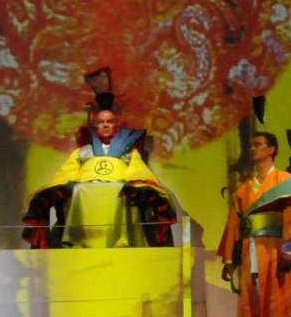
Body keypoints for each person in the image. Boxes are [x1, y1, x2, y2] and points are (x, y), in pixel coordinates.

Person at [22, 100, 178, 249]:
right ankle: (77, 241)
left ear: (116, 125)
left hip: (120, 187)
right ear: (95, 126)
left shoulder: (130, 152)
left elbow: (139, 171)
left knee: (123, 191)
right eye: (101, 122)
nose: (105, 125)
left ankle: (122, 241)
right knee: (77, 190)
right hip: (85, 187)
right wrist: (63, 186)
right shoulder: (82, 152)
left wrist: (137, 185)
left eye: (109, 121)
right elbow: (66, 173)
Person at [217, 131, 291, 317]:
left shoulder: (284, 181)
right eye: (251, 145)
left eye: (258, 144)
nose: (253, 149)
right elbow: (235, 224)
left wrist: (289, 250)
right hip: (250, 252)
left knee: (278, 304)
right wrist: (230, 259)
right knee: (250, 307)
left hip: (274, 251)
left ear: (271, 150)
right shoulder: (244, 189)